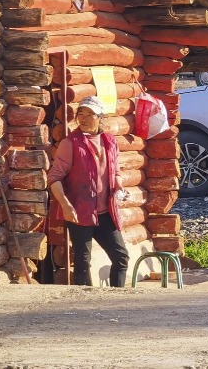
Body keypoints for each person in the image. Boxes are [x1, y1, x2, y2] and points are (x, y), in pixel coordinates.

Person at [47, 95, 130, 286]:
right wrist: (66, 206)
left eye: (89, 114)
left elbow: (115, 171)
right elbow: (54, 178)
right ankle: (85, 301)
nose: (83, 119)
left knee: (121, 257)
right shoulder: (70, 143)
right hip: (79, 212)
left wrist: (119, 186)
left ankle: (117, 298)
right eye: (80, 114)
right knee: (83, 262)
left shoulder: (109, 141)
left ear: (100, 118)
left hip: (105, 213)